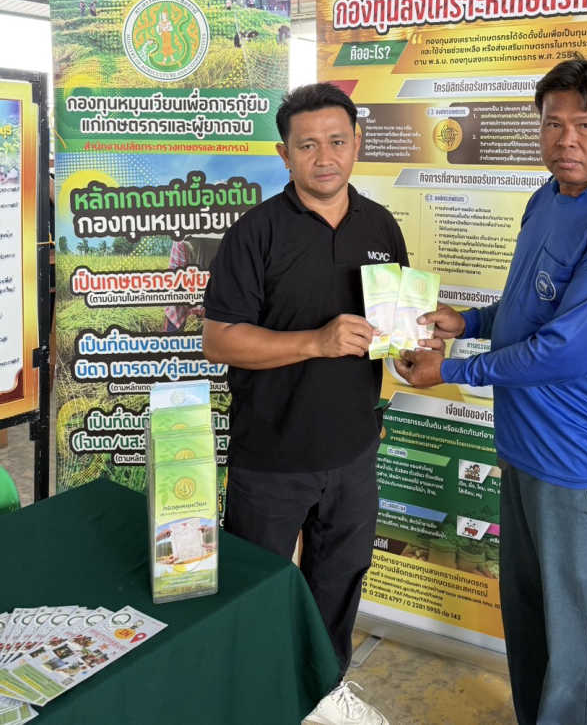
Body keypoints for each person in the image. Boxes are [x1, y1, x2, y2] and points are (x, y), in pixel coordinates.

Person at [394, 56, 587, 725]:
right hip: (524, 447)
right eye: (553, 124)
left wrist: (450, 371)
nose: (566, 140)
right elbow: (527, 310)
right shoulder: (548, 198)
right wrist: (467, 323)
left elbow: (564, 350)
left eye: (585, 125)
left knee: (582, 642)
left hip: (578, 459)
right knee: (531, 615)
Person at [203, 82, 412, 725]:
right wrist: (315, 342)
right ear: (284, 154)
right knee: (257, 592)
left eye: (338, 141)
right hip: (272, 456)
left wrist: (413, 348)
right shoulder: (256, 232)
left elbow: (394, 329)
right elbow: (219, 340)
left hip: (354, 452)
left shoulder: (381, 225)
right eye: (308, 145)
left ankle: (322, 695)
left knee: (338, 586)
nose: (326, 157)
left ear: (357, 144)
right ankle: (251, 703)